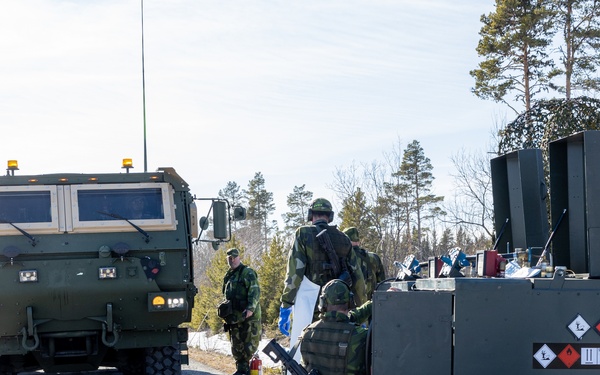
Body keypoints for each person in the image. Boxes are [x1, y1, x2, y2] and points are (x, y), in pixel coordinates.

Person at [279, 198, 367, 337]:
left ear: (310, 214)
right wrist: (361, 310)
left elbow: (295, 274)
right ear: (330, 216)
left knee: (308, 349)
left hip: (312, 307)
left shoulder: (303, 234)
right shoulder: (344, 239)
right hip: (340, 308)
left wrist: (286, 303)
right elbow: (358, 279)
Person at [299, 279, 368, 375]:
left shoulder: (307, 333)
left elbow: (304, 366)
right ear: (350, 302)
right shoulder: (360, 335)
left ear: (322, 302)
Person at [219, 248, 261, 375]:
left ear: (239, 257)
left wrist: (250, 309)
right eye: (230, 258)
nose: (232, 260)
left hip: (248, 316)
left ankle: (251, 370)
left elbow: (254, 292)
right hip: (234, 316)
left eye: (234, 257)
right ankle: (241, 369)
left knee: (249, 345)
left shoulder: (247, 272)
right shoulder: (229, 275)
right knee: (236, 346)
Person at [343, 227, 386, 300]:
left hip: (351, 307)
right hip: (372, 306)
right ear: (358, 242)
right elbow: (382, 284)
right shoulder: (374, 258)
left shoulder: (344, 258)